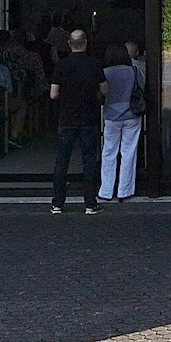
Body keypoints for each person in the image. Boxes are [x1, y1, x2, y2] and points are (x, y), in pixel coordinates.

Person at [49, 29, 106, 214]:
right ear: (86, 43)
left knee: (62, 161)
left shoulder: (62, 65)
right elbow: (105, 90)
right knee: (89, 160)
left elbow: (53, 93)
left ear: (69, 44)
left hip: (66, 118)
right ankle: (90, 203)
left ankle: (58, 203)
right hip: (88, 117)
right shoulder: (94, 64)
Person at [98, 44, 143, 202]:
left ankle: (106, 190)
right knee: (129, 152)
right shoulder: (133, 71)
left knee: (109, 152)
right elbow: (142, 88)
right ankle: (125, 190)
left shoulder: (105, 73)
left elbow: (101, 93)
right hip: (132, 115)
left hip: (111, 116)